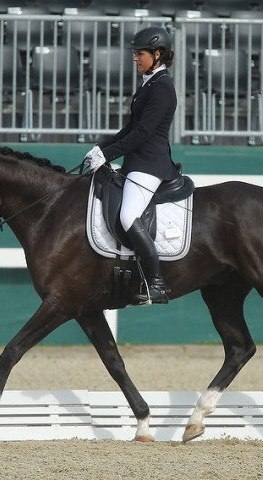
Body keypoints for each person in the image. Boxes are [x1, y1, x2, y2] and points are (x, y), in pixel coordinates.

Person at [84, 26, 179, 305]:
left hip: (149, 164)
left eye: (140, 54)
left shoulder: (162, 88)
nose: (135, 58)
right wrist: (102, 147)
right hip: (136, 161)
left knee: (127, 217)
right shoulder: (149, 83)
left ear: (157, 54)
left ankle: (157, 284)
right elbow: (130, 129)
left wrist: (109, 155)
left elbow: (142, 135)